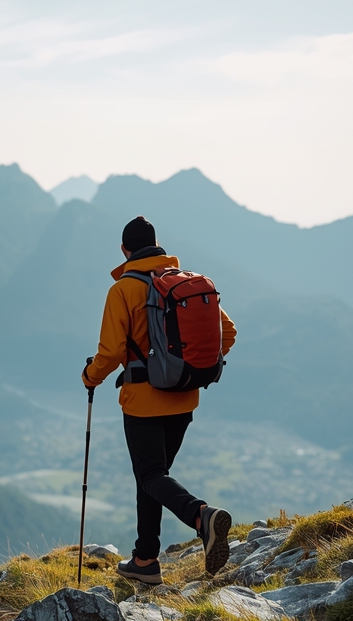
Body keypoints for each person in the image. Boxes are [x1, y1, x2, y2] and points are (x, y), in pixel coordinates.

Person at [81, 216, 237, 584]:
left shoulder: (122, 290)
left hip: (142, 401)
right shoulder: (180, 284)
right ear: (157, 245)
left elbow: (111, 351)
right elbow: (226, 333)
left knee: (150, 474)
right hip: (184, 398)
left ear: (125, 250)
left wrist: (90, 377)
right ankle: (146, 560)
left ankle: (202, 516)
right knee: (152, 476)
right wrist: (184, 366)